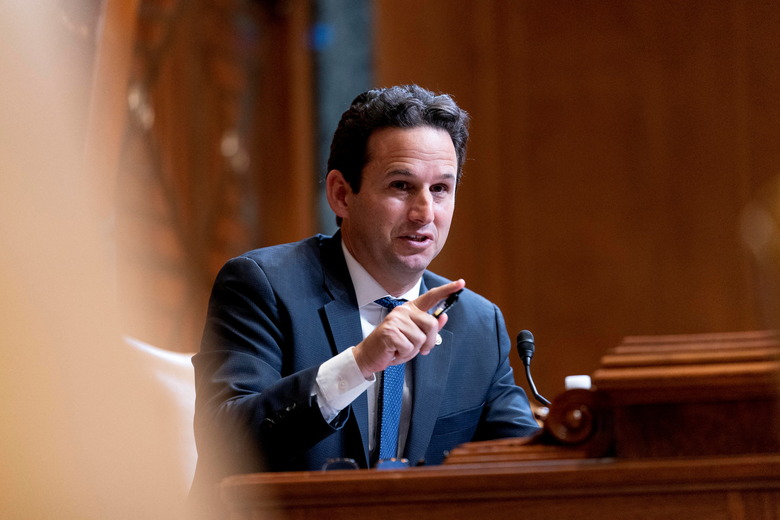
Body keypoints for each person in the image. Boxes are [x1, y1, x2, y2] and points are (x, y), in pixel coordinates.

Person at [188, 84, 540, 513]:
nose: (424, 212)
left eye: (441, 189)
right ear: (341, 194)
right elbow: (226, 443)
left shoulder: (477, 323)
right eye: (401, 185)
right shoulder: (263, 285)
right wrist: (359, 364)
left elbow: (525, 461)